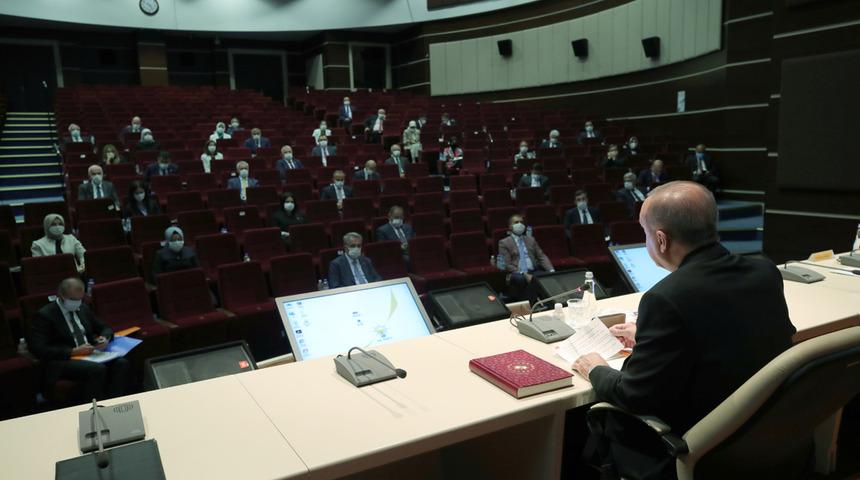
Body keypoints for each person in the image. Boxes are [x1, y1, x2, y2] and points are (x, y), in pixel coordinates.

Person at [571, 181, 796, 479]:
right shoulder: (764, 271)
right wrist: (649, 335)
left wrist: (595, 368)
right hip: (760, 433)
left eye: (645, 234)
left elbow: (634, 395)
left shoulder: (665, 298)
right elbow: (727, 329)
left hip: (697, 443)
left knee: (577, 425)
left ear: (661, 240)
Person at [28, 278, 128, 401]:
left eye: (80, 299)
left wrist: (104, 338)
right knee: (97, 369)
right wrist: (73, 351)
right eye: (73, 299)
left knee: (121, 363)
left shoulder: (83, 308)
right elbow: (39, 349)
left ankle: (115, 402)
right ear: (61, 296)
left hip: (88, 354)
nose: (77, 303)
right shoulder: (45, 315)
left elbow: (104, 327)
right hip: (63, 360)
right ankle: (93, 408)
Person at [497, 214, 554, 303]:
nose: (520, 224)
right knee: (521, 279)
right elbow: (507, 264)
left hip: (533, 270)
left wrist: (551, 270)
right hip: (515, 272)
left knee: (545, 276)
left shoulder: (531, 240)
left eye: (521, 222)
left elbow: (541, 256)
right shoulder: (504, 243)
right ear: (510, 226)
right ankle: (530, 304)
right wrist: (523, 273)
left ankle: (545, 303)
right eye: (516, 222)